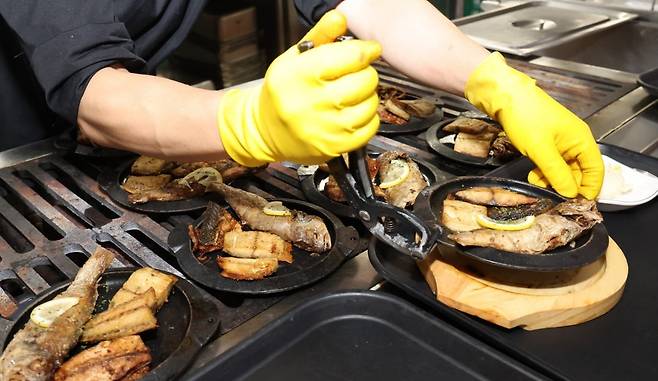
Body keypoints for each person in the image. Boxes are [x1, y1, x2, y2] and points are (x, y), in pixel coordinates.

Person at [0, 0, 603, 200]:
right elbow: (95, 93)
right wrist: (246, 121)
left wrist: (493, 81)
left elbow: (369, 3)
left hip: (139, 102)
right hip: (22, 153)